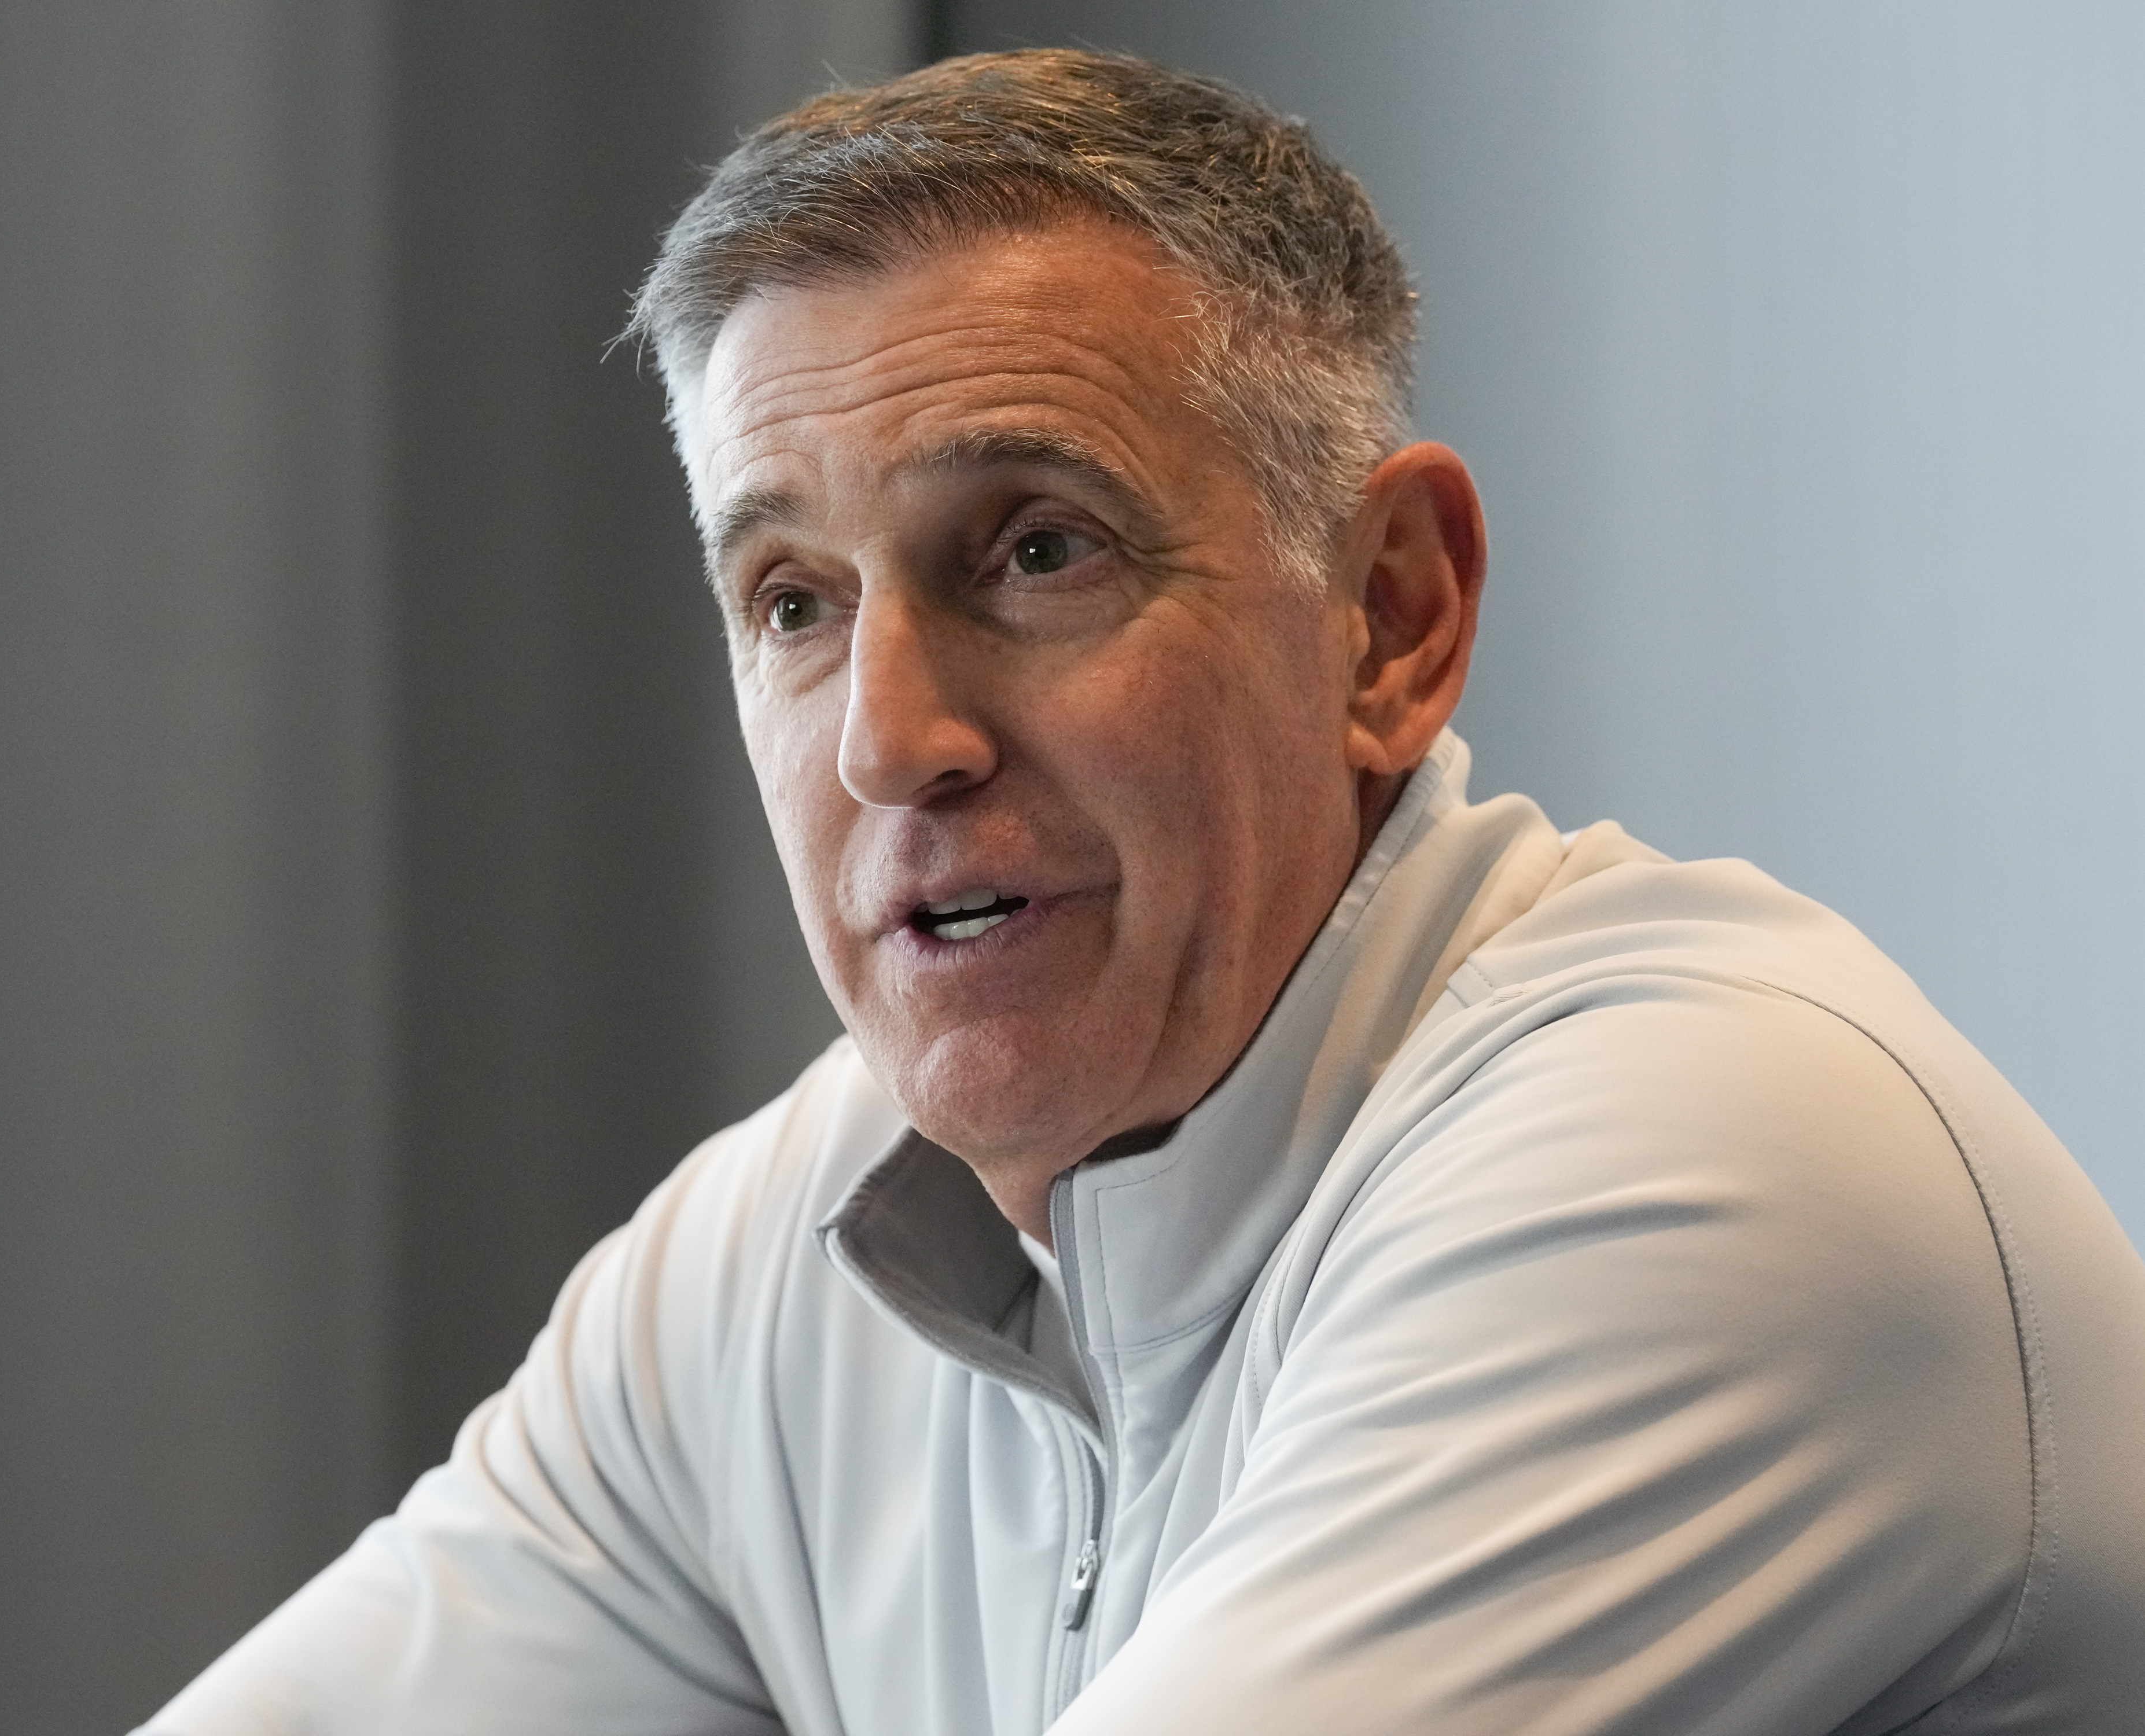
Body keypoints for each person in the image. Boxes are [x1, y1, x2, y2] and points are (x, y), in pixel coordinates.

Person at [141, 49, 2145, 1735]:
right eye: (792, 605)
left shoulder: (1712, 1162)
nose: (888, 740)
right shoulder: (774, 1262)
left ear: (1389, 617)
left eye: (1034, 553)